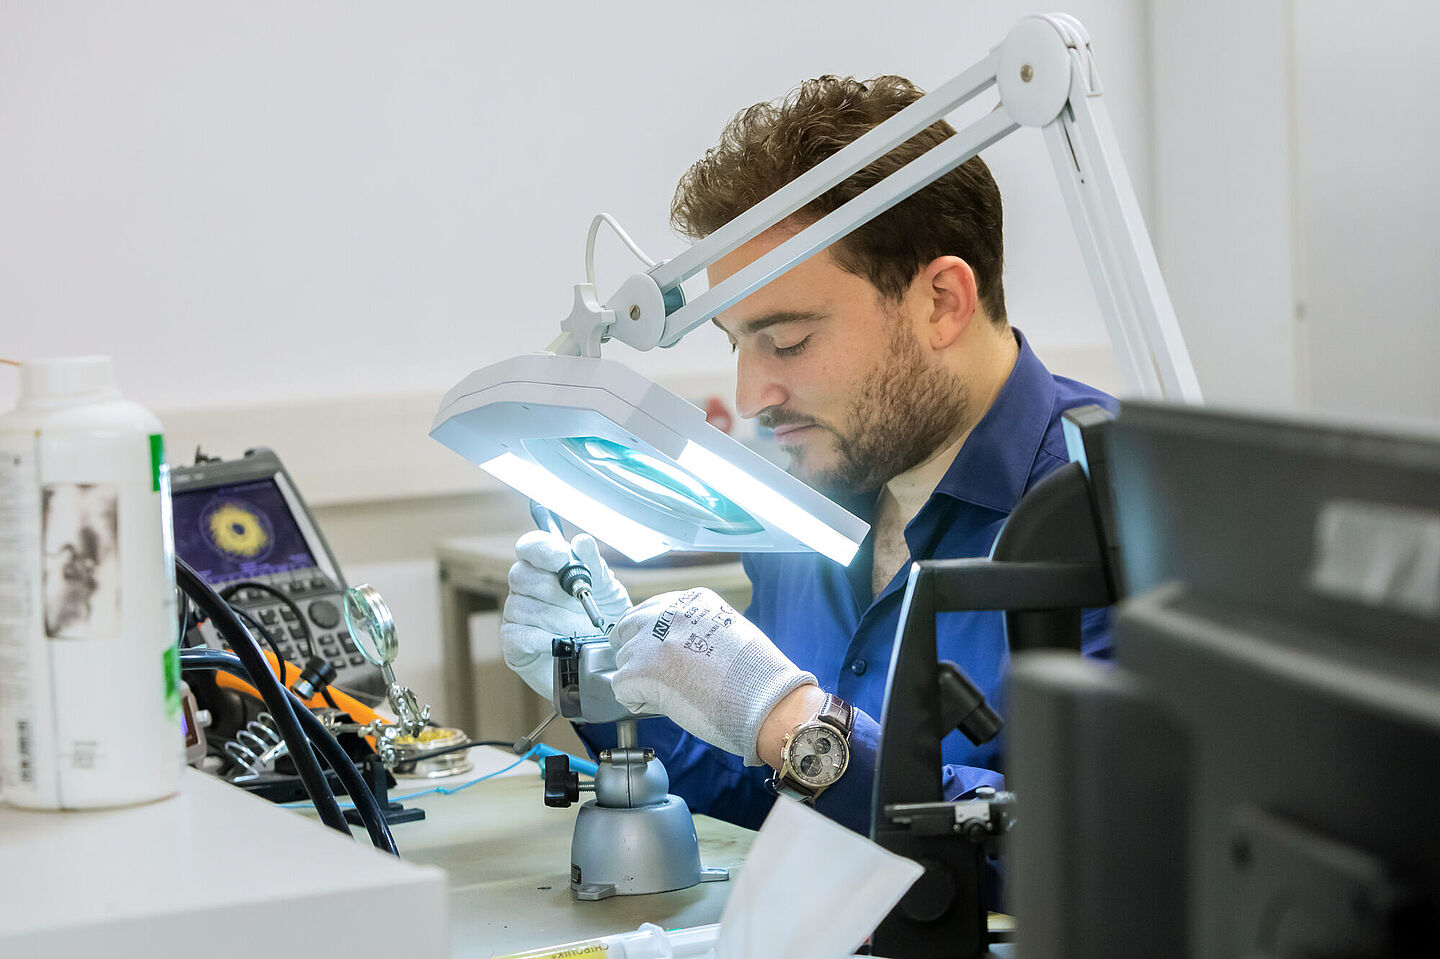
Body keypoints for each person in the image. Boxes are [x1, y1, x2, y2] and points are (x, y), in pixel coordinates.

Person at [501, 75, 1115, 838]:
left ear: (942, 303)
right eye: (736, 343)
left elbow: (1086, 846)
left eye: (789, 340)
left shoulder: (1119, 510)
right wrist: (612, 685)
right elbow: (761, 786)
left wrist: (793, 721)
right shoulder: (810, 501)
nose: (753, 393)